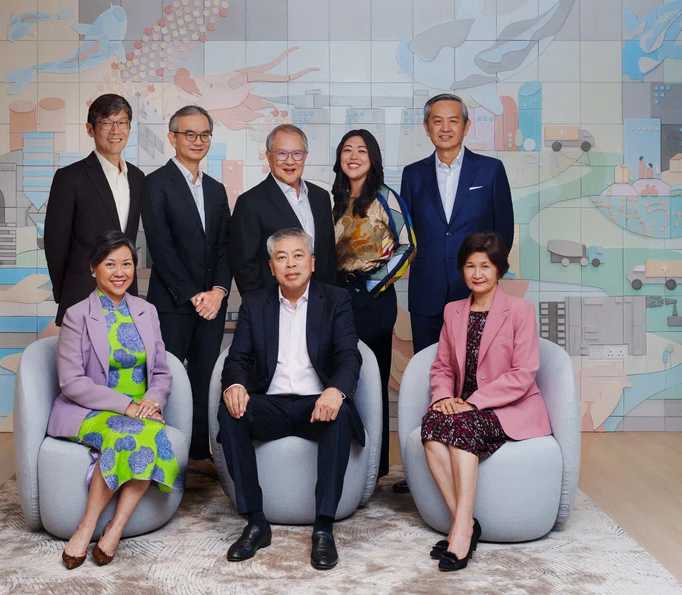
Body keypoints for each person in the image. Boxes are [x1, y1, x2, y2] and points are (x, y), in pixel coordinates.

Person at [217, 228, 364, 570]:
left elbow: (348, 356)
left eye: (298, 256)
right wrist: (234, 386)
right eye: (281, 257)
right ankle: (256, 522)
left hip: (318, 402)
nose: (291, 264)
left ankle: (324, 528)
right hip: (273, 402)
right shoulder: (255, 303)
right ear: (272, 267)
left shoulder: (336, 300)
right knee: (230, 412)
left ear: (312, 263)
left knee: (340, 413)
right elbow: (237, 358)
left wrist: (335, 390)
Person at [393, 93, 515, 494]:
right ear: (427, 127)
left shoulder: (491, 170)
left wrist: (483, 275)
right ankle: (432, 465)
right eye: (436, 121)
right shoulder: (412, 174)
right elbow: (406, 236)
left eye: (453, 121)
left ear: (465, 126)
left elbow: (503, 232)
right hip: (427, 290)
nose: (445, 127)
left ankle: (479, 457)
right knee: (436, 374)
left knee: (479, 374)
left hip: (475, 292)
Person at [47, 231, 183, 570]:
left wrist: (151, 402)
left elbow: (162, 373)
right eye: (110, 264)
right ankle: (86, 526)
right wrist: (127, 407)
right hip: (91, 409)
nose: (120, 272)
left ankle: (114, 529)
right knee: (131, 432)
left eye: (127, 264)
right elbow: (71, 381)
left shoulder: (147, 311)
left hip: (142, 408)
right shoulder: (77, 315)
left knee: (148, 431)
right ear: (94, 268)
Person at [422, 232, 552, 572]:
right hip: (463, 405)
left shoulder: (520, 310)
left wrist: (474, 402)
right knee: (432, 424)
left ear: (498, 270)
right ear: (462, 270)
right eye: (470, 266)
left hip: (509, 407)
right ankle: (465, 523)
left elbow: (524, 373)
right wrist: (443, 398)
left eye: (485, 266)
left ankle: (461, 534)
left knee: (460, 427)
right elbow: (442, 366)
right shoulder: (453, 311)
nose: (477, 273)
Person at [142, 105, 231, 462]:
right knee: (169, 380)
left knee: (205, 379)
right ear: (172, 138)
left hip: (212, 304)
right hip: (172, 302)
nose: (198, 141)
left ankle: (197, 455)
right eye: (189, 134)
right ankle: (166, 453)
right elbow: (160, 248)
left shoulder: (216, 188)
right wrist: (194, 295)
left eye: (204, 134)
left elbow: (226, 246)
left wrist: (219, 291)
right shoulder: (155, 183)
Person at [332, 129, 417, 480]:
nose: (353, 156)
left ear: (373, 158)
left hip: (373, 298)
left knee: (372, 379)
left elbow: (407, 245)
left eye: (361, 150)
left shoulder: (386, 196)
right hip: (336, 298)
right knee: (339, 375)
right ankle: (346, 461)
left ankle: (376, 468)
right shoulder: (331, 199)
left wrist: (371, 285)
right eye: (347, 150)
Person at [45, 94, 145, 326]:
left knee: (125, 360)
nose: (115, 130)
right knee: (82, 362)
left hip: (126, 296)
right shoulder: (70, 178)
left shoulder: (138, 178)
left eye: (122, 122)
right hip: (82, 293)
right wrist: (67, 293)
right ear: (91, 129)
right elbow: (55, 244)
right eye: (106, 123)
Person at [230, 124, 336, 295]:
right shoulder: (250, 202)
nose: (289, 161)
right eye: (281, 154)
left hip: (321, 304)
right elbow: (244, 266)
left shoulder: (321, 197)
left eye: (296, 154)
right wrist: (260, 309)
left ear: (305, 156)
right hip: (273, 307)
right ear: (268, 156)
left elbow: (329, 257)